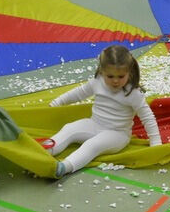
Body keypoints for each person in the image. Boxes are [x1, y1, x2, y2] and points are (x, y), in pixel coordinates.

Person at [44, 45, 162, 178]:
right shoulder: (97, 82)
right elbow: (78, 93)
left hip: (117, 134)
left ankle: (64, 167)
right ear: (102, 71)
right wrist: (57, 102)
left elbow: (147, 117)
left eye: (121, 76)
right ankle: (44, 151)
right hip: (94, 124)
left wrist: (156, 143)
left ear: (129, 72)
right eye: (110, 76)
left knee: (92, 145)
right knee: (69, 129)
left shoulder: (133, 93)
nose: (116, 81)